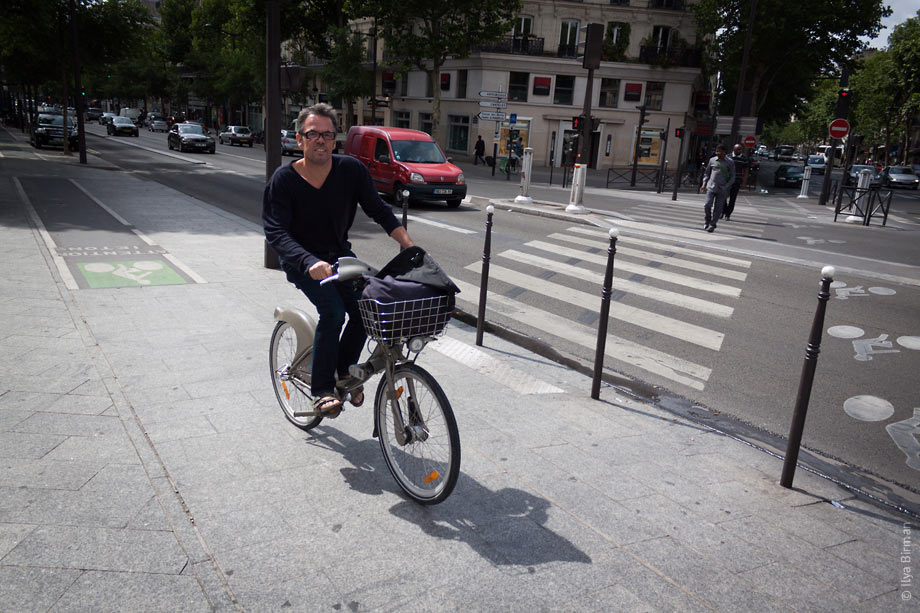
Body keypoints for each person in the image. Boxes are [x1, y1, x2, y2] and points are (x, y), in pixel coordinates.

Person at [263, 103, 414, 417]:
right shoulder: (284, 179)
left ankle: (344, 372)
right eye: (313, 134)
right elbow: (276, 231)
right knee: (332, 312)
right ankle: (321, 390)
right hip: (301, 261)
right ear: (299, 139)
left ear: (335, 141)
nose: (320, 140)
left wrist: (409, 245)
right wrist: (307, 261)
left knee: (365, 310)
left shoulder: (350, 170)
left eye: (327, 135)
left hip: (340, 258)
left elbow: (378, 209)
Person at [698, 143, 734, 233]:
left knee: (718, 208)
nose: (717, 153)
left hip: (722, 188)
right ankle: (707, 220)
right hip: (711, 186)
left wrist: (727, 186)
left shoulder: (730, 162)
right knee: (707, 205)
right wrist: (704, 184)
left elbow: (733, 176)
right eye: (717, 151)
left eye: (719, 151)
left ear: (724, 152)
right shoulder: (712, 160)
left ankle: (712, 224)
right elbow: (707, 173)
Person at [722, 143, 749, 221]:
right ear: (734, 149)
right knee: (723, 197)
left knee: (732, 199)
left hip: (737, 180)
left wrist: (744, 182)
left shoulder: (744, 158)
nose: (740, 150)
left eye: (741, 149)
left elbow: (746, 171)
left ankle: (728, 214)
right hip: (727, 180)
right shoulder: (728, 157)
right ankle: (723, 211)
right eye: (738, 149)